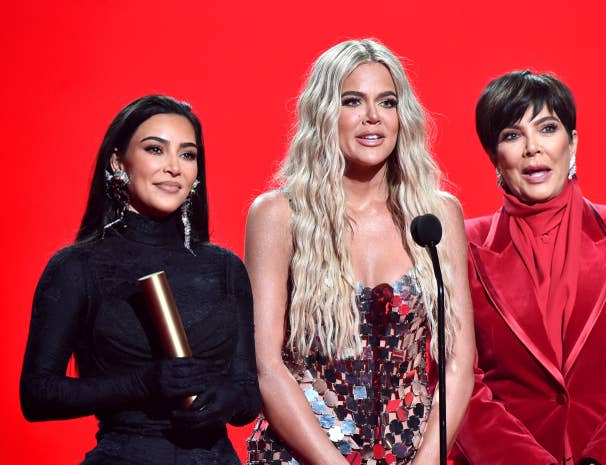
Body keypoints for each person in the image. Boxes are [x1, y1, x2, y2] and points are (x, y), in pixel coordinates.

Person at [244, 39, 475, 465]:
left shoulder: (437, 214)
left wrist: (426, 462)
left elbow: (460, 360)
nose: (372, 117)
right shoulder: (280, 215)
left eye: (386, 102)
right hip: (301, 455)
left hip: (412, 455)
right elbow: (267, 368)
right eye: (353, 101)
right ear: (324, 114)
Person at [453, 71, 606, 465]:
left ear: (572, 142)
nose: (532, 148)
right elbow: (461, 381)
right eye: (512, 135)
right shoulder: (464, 245)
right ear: (494, 155)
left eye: (547, 128)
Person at [20, 95, 262, 465]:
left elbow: (248, 394)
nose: (173, 168)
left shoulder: (225, 268)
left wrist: (225, 398)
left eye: (187, 154)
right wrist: (142, 384)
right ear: (119, 161)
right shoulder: (77, 267)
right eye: (155, 149)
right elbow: (38, 395)